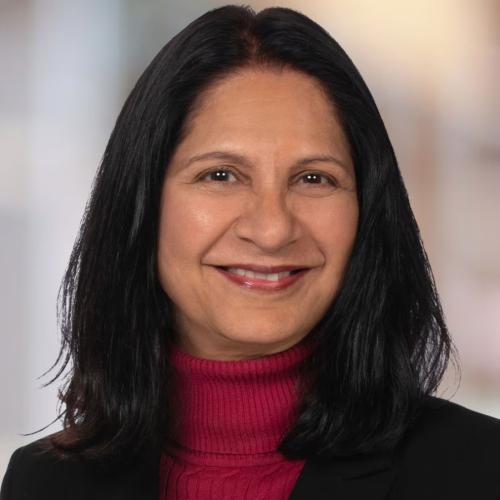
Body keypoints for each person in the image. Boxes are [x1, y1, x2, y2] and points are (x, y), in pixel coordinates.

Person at [1, 5, 499, 500]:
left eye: (314, 178)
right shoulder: (43, 484)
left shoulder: (480, 469)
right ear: (142, 201)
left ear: (367, 210)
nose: (272, 229)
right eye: (221, 175)